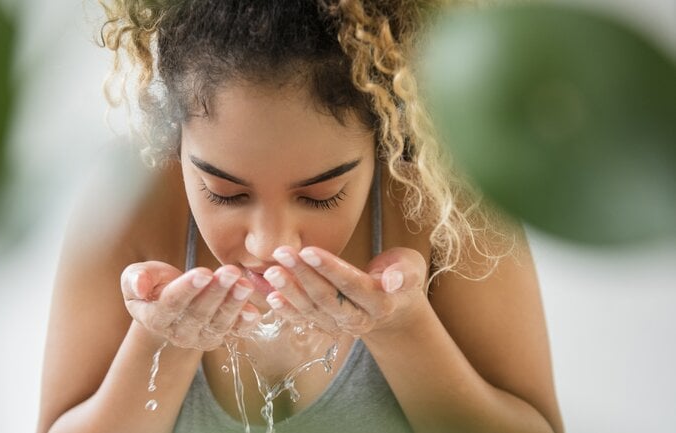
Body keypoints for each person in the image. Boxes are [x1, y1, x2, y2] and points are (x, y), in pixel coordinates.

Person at [37, 1, 564, 432]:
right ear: (176, 140)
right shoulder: (124, 209)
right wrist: (163, 344)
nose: (269, 245)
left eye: (320, 195)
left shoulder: (446, 203)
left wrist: (401, 330)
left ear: (382, 136)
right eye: (223, 192)